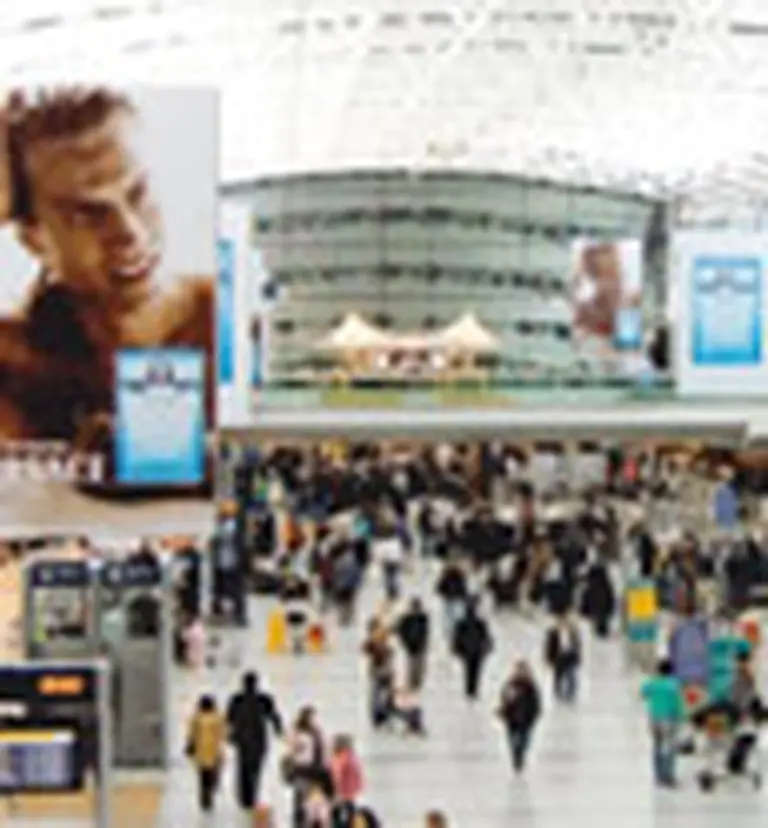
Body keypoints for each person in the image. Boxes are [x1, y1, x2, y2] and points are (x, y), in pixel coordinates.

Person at [0, 88, 214, 445]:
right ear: (34, 240)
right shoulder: (17, 365)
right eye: (89, 214)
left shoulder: (225, 322)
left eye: (138, 193)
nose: (130, 233)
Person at [226, 672, 284, 811]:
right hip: (259, 740)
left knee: (242, 767)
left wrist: (229, 734)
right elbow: (274, 716)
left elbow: (229, 718)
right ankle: (251, 794)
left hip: (242, 740)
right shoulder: (264, 699)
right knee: (255, 768)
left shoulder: (236, 699)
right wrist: (278, 730)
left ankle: (245, 797)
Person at [641, 659, 686, 787]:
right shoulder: (674, 684)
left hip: (654, 719)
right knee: (670, 747)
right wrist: (682, 717)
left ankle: (658, 776)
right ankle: (668, 776)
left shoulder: (652, 682)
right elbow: (678, 703)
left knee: (657, 746)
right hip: (669, 718)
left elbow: (644, 693)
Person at [285, 706, 329, 828]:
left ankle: (314, 820)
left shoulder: (317, 732)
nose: (313, 720)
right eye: (311, 717)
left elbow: (324, 749)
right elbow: (291, 749)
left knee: (315, 798)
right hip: (302, 769)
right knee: (301, 795)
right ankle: (299, 821)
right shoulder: (297, 732)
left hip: (316, 769)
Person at [496, 661, 542, 773]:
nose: (520, 673)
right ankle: (516, 755)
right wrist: (503, 711)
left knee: (524, 740)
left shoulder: (530, 686)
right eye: (519, 670)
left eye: (523, 670)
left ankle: (520, 755)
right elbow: (504, 699)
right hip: (512, 718)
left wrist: (534, 714)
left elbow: (535, 702)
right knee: (512, 740)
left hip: (526, 719)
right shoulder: (510, 684)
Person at [185, 695, 226, 812]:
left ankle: (205, 800)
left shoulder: (196, 719)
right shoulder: (218, 718)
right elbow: (223, 734)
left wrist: (190, 746)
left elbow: (191, 735)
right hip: (215, 753)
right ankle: (210, 793)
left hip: (201, 754)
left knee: (203, 779)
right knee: (214, 776)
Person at [452, 599, 493, 701]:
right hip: (477, 650)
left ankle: (469, 690)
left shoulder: (462, 623)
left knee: (468, 670)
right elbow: (486, 637)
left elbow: (457, 637)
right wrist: (488, 647)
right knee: (476, 671)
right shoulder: (480, 623)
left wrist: (456, 648)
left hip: (467, 650)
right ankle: (473, 690)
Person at [362, 619, 395, 727]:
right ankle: (379, 717)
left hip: (384, 671)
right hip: (379, 671)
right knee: (377, 695)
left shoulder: (382, 639)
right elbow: (365, 650)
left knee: (384, 695)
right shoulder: (373, 642)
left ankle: (383, 716)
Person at [544, 613, 581, 702]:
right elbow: (549, 646)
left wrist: (577, 657)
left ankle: (570, 694)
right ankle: (558, 693)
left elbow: (577, 645)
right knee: (558, 677)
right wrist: (549, 659)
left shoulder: (573, 632)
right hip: (558, 657)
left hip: (569, 657)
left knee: (571, 677)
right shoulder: (553, 633)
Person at [395, 598, 430, 691]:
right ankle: (413, 682)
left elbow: (425, 632)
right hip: (412, 645)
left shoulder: (423, 618)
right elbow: (399, 629)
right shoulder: (407, 619)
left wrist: (424, 642)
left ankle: (417, 682)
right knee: (412, 664)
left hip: (419, 646)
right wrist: (405, 642)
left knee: (418, 665)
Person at [435, 558, 468, 643]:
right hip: (450, 600)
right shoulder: (450, 576)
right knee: (451, 618)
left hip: (454, 600)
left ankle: (454, 634)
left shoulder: (459, 576)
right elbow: (439, 588)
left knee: (454, 618)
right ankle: (451, 634)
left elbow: (463, 588)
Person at [581, 560, 616, 638]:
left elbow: (585, 602)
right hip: (601, 615)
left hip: (594, 616)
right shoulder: (606, 586)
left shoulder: (590, 587)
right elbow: (610, 601)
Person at [329, 735, 364, 809]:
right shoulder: (352, 755)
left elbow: (336, 774)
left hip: (343, 791)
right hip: (351, 790)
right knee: (350, 806)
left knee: (343, 808)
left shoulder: (341, 758)